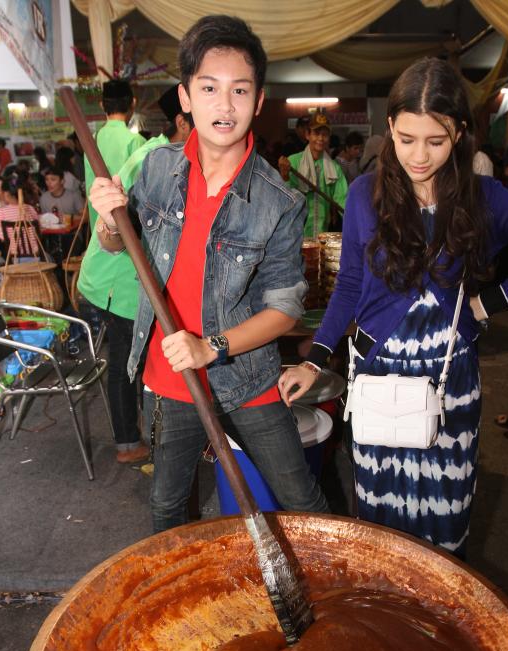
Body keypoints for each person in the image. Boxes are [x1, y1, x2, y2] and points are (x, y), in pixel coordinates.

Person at [279, 57, 508, 557]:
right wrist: (316, 356)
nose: (419, 155)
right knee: (381, 520)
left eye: (435, 141)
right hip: (377, 374)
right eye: (406, 138)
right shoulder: (363, 196)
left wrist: (490, 303)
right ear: (390, 126)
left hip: (449, 378)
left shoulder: (483, 195)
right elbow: (349, 284)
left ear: (458, 133)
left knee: (445, 515)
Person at [89, 14, 329, 531]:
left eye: (240, 90)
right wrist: (110, 223)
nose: (225, 106)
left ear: (259, 101)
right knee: (166, 507)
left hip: (245, 374)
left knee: (303, 502)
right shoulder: (155, 167)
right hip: (171, 372)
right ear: (186, 97)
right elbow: (121, 245)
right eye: (209, 88)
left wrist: (211, 347)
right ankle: (183, 607)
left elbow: (285, 309)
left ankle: (332, 603)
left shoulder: (278, 200)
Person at [79, 84, 191, 465]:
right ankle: (128, 442)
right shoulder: (150, 155)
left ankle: (137, 432)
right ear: (182, 121)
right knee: (126, 362)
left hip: (121, 268)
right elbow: (121, 221)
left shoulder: (112, 140)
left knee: (128, 359)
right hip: (118, 273)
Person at [84, 79, 146, 234]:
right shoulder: (136, 141)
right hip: (127, 230)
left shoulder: (92, 140)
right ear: (133, 103)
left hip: (98, 228)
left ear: (101, 105)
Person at [278, 112, 348, 238]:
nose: (321, 139)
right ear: (307, 135)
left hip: (322, 236)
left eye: (325, 135)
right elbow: (283, 197)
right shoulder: (293, 162)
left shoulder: (334, 169)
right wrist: (284, 176)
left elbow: (343, 200)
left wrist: (353, 221)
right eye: (316, 133)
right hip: (295, 236)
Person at [0, 174, 40, 260]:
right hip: (36, 256)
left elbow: (2, 238)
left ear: (6, 193)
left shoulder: (2, 212)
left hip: (16, 259)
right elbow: (39, 231)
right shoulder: (30, 208)